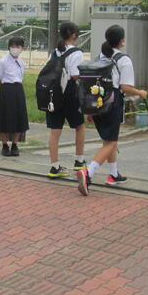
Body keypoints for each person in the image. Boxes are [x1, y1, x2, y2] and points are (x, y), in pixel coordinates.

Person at [76, 25, 147, 196]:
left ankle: (114, 175)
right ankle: (88, 172)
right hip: (112, 103)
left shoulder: (100, 57)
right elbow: (125, 87)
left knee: (108, 141)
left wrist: (90, 111)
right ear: (122, 41)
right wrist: (140, 93)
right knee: (111, 143)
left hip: (96, 102)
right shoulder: (123, 60)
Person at [46, 22, 87, 178]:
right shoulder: (77, 52)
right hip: (69, 91)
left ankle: (55, 167)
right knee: (79, 126)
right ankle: (79, 161)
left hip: (54, 92)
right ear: (74, 35)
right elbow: (75, 75)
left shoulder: (55, 52)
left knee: (55, 130)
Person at [0, 37, 29, 156]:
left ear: (22, 48)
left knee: (18, 117)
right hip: (6, 89)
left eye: (18, 46)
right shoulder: (2, 61)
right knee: (3, 117)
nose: (15, 49)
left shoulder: (22, 62)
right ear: (9, 47)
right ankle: (4, 145)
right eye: (13, 46)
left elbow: (21, 77)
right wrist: (4, 90)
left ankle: (14, 145)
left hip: (18, 89)